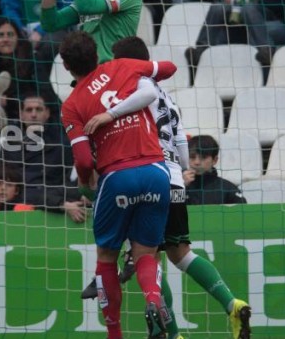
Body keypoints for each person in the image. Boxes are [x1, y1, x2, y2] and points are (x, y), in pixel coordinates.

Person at [81, 36, 252, 339]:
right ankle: (231, 303)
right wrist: (179, 169)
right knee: (182, 254)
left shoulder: (132, 89)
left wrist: (109, 117)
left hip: (147, 173)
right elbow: (183, 146)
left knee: (148, 257)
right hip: (173, 178)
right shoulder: (167, 97)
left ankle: (173, 335)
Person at [59, 31, 178, 338]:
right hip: (156, 170)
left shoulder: (72, 104)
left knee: (107, 257)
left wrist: (87, 183)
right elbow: (169, 68)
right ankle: (153, 300)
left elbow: (84, 160)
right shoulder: (122, 66)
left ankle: (114, 332)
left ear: (66, 67)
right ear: (97, 55)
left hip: (117, 177)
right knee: (145, 254)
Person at [0, 91, 85, 222]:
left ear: (47, 113)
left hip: (57, 201)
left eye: (38, 109)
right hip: (20, 203)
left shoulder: (63, 145)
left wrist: (74, 196)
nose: (33, 114)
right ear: (21, 115)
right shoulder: (10, 144)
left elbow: (73, 178)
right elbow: (0, 177)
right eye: (29, 110)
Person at [186, 135, 247, 205]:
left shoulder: (227, 188)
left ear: (214, 160)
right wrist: (182, 187)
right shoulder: (180, 185)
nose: (197, 162)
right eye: (192, 157)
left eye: (203, 157)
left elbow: (243, 212)